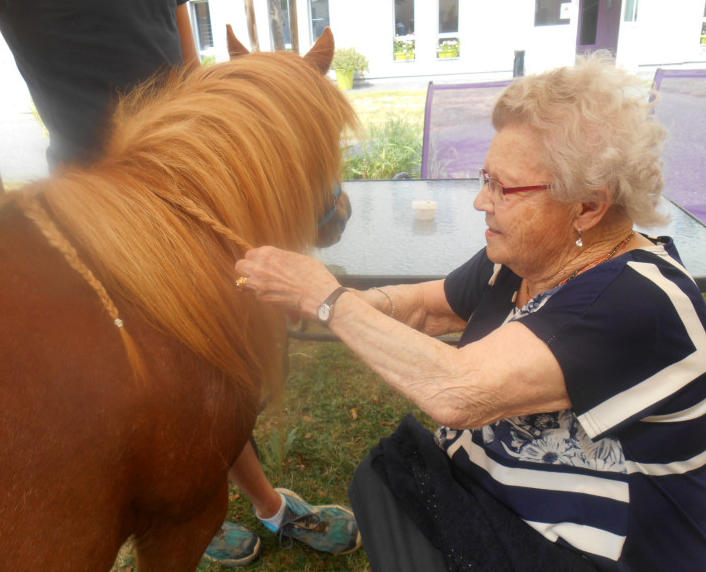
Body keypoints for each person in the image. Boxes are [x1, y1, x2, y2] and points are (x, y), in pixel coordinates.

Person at [0, 0, 359, 567]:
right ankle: (238, 504)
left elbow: (187, 64)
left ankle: (254, 503)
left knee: (220, 368)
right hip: (99, 193)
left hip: (189, 177)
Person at [235, 52, 706, 572]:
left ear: (589, 206)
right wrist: (360, 308)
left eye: (503, 187)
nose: (481, 201)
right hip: (499, 497)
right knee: (384, 475)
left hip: (588, 548)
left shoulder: (639, 301)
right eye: (485, 178)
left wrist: (326, 299)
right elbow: (429, 310)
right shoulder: (526, 255)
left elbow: (458, 391)